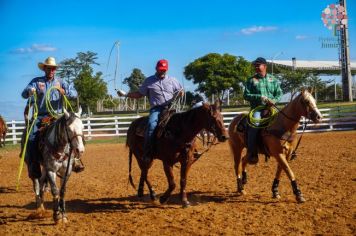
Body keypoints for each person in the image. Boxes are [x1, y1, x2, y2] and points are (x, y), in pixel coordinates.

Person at [21, 57, 82, 180]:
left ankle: (76, 160)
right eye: (49, 68)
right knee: (32, 137)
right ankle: (34, 166)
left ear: (55, 70)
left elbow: (75, 93)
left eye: (53, 69)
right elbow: (24, 94)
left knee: (74, 133)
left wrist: (65, 91)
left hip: (58, 117)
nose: (51, 71)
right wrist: (30, 91)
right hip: (41, 117)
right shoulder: (37, 82)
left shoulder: (60, 81)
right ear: (44, 69)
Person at [117, 59, 184, 164]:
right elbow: (139, 94)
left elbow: (181, 91)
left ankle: (188, 149)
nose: (163, 72)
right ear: (156, 68)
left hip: (171, 108)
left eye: (164, 70)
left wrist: (180, 94)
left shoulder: (173, 80)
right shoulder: (148, 81)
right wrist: (126, 94)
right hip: (157, 109)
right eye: (161, 69)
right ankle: (148, 152)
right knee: (151, 125)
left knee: (184, 123)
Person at [243, 57, 283, 164]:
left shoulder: (273, 79)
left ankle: (289, 148)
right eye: (255, 65)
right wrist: (259, 97)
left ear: (265, 66)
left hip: (272, 108)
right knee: (254, 126)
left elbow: (279, 93)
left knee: (284, 123)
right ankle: (252, 153)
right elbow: (246, 95)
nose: (256, 67)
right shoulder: (251, 80)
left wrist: (274, 100)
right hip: (257, 109)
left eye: (258, 65)